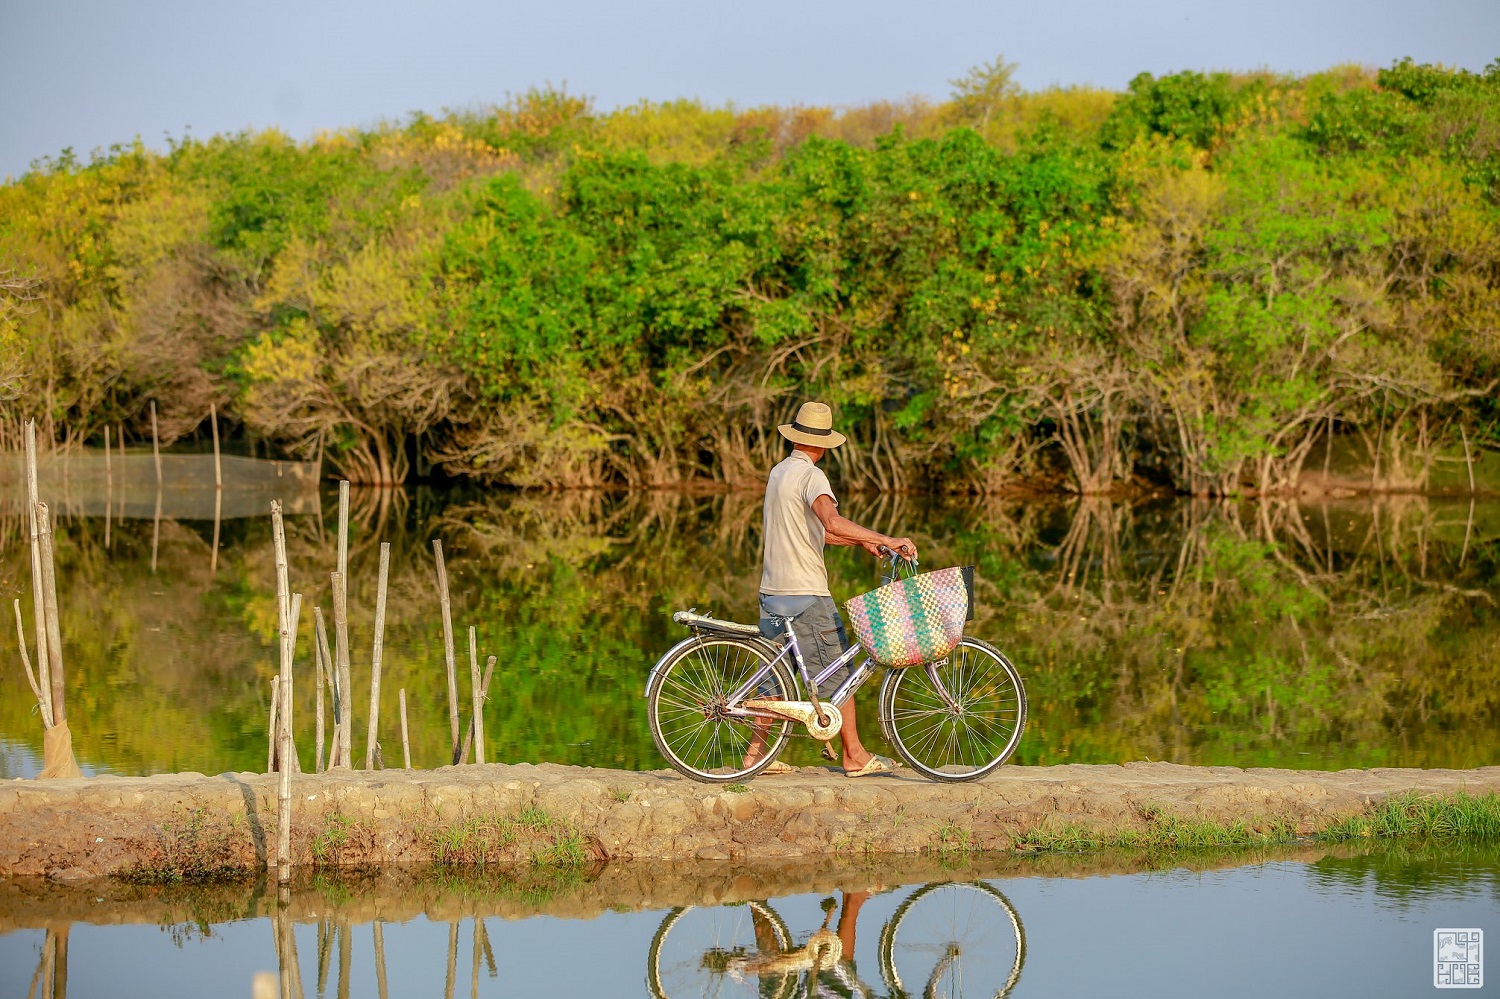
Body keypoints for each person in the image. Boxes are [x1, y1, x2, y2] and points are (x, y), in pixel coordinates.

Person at [749, 400, 918, 778]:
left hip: (773, 590)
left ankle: (754, 757)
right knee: (843, 673)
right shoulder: (813, 477)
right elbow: (832, 519)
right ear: (823, 444)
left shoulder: (779, 473)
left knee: (772, 678)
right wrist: (888, 539)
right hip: (806, 593)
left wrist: (861, 543)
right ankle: (854, 755)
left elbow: (816, 532)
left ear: (796, 437)